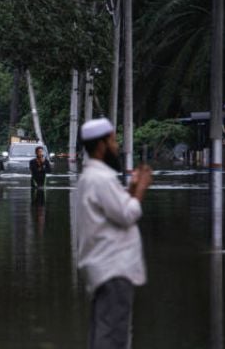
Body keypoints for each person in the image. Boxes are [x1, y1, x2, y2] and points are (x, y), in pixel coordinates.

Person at [76, 118, 153, 349]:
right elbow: (128, 214)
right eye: (112, 140)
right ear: (101, 145)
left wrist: (130, 189)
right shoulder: (102, 178)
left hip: (105, 267)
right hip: (113, 268)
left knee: (105, 331)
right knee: (113, 336)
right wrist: (140, 189)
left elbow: (114, 209)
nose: (116, 145)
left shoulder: (91, 177)